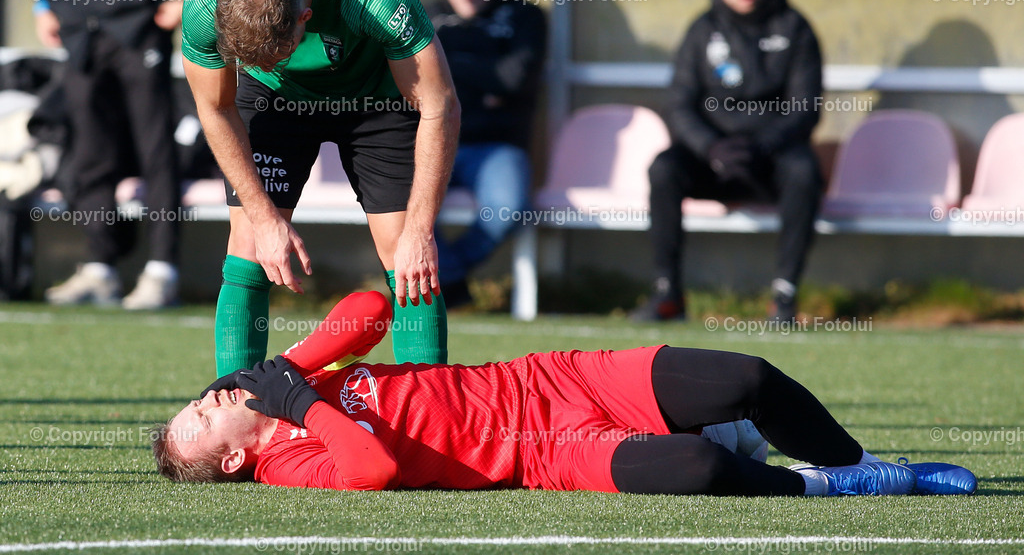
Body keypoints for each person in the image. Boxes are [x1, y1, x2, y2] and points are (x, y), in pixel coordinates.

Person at [152, 292, 977, 497]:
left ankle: (866, 457)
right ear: (229, 459)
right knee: (693, 468)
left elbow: (369, 311)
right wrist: (299, 404)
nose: (206, 400)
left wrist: (296, 366)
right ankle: (842, 483)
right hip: (542, 453)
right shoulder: (287, 460)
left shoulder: (293, 378)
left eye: (196, 401)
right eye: (199, 420)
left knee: (746, 378)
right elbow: (369, 471)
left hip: (547, 381)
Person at [180, 0, 460, 375]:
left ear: (305, 20)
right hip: (274, 99)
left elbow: (439, 104)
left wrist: (421, 228)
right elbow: (216, 108)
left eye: (280, 53)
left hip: (375, 94)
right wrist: (264, 216)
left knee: (408, 258)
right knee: (249, 243)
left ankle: (431, 420)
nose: (276, 62)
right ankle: (236, 412)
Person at [35, 0, 210, 309]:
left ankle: (162, 270)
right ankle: (101, 266)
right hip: (80, 36)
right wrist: (44, 4)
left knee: (156, 148)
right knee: (91, 151)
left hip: (137, 29)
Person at [634, 0, 824, 323]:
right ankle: (667, 293)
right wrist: (711, 148)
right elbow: (680, 104)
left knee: (804, 171)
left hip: (769, 161)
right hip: (713, 162)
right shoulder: (702, 31)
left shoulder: (794, 28)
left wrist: (762, 146)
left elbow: (805, 108)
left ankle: (784, 296)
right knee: (664, 168)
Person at [428, 0, 547, 308]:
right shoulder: (423, 17)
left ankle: (448, 275)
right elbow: (406, 79)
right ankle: (451, 281)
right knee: (402, 201)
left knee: (507, 210)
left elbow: (513, 78)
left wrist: (448, 64)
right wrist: (487, 78)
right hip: (434, 140)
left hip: (497, 147)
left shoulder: (525, 16)